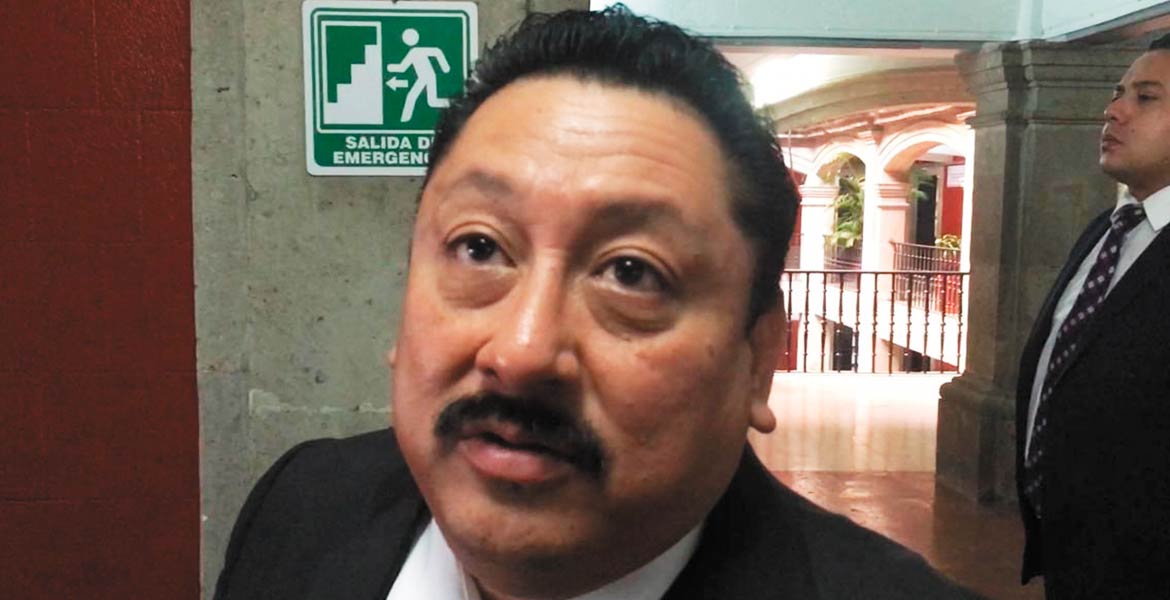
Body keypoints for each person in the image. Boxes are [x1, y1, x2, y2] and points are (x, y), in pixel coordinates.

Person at [214, 7, 978, 599]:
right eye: (479, 248)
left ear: (757, 361)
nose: (521, 351)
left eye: (631, 273)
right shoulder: (303, 506)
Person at [1015, 33, 1170, 600]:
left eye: (1146, 98)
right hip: (1076, 554)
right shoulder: (1107, 230)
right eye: (1117, 92)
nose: (1114, 110)